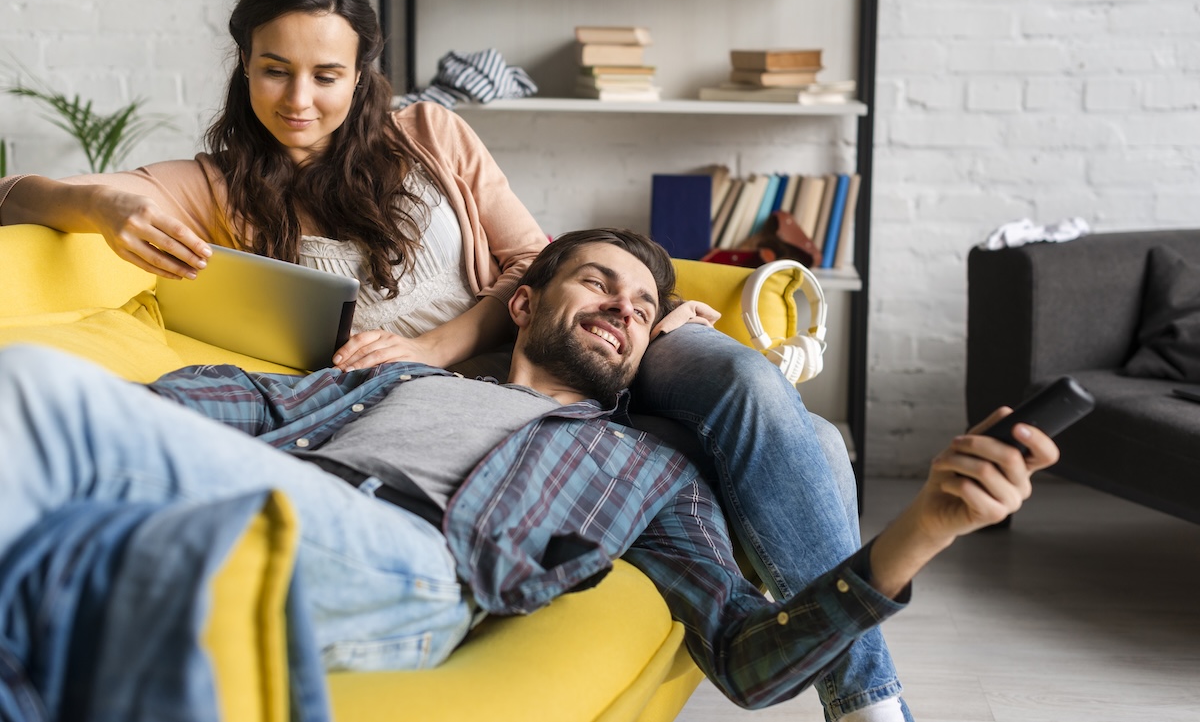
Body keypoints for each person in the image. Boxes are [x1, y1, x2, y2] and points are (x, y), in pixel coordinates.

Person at [0, 0, 898, 720]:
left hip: (542, 346)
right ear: (245, 66)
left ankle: (867, 699)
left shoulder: (429, 133)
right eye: (275, 71)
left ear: (363, 72)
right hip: (431, 412)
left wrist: (443, 347)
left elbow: (535, 261)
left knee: (761, 402)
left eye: (327, 75)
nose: (300, 100)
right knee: (810, 446)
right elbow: (16, 197)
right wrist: (99, 200)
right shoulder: (224, 186)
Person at [0, 228, 1061, 715]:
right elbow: (225, 401)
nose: (621, 309)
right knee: (42, 424)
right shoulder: (391, 378)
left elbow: (747, 659)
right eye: (596, 283)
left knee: (34, 393)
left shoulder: (642, 464)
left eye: (641, 308)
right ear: (523, 303)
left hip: (411, 562)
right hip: (260, 493)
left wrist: (924, 527)